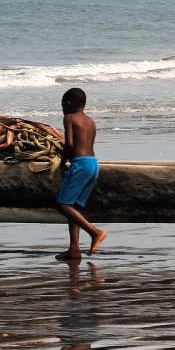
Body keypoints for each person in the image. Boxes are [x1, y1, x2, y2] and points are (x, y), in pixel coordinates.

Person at [54, 88, 106, 260]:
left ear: (68, 103)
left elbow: (69, 144)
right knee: (74, 207)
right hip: (93, 164)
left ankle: (94, 232)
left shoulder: (69, 118)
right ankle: (74, 249)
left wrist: (62, 162)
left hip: (80, 164)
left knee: (63, 205)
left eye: (62, 104)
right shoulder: (90, 121)